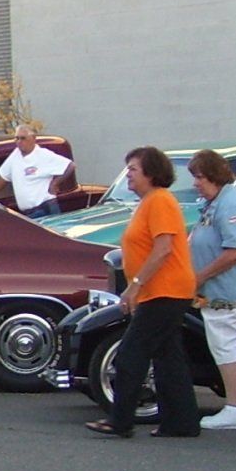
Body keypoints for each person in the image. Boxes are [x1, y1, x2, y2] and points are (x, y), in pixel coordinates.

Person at [86, 146, 201, 438]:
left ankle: (120, 420)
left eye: (133, 170)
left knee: (130, 353)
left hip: (166, 290)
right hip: (160, 292)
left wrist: (134, 286)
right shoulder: (149, 203)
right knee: (168, 358)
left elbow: (163, 248)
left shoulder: (160, 201)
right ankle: (182, 422)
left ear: (151, 172)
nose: (129, 177)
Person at [187, 148, 236, 431]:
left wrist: (199, 276)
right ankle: (234, 407)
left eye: (198, 177)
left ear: (212, 175)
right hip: (219, 289)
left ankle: (235, 408)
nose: (195, 183)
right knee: (223, 344)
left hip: (228, 292)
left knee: (224, 344)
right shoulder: (217, 201)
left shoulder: (230, 204)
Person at [0, 126, 73, 219]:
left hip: (45, 209)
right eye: (17, 138)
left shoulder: (43, 155)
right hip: (28, 213)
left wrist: (54, 183)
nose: (19, 141)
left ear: (33, 139)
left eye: (23, 138)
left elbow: (70, 166)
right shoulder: (15, 155)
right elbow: (3, 177)